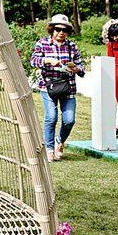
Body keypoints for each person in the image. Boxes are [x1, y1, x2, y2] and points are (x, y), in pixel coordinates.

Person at [30, 14, 85, 162]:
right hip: (48, 86)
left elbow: (81, 66)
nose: (61, 32)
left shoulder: (72, 46)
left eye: (65, 29)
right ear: (52, 29)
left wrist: (77, 69)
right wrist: (47, 60)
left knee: (69, 120)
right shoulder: (42, 44)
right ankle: (48, 149)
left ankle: (59, 142)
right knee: (51, 118)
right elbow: (33, 61)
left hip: (68, 87)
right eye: (58, 29)